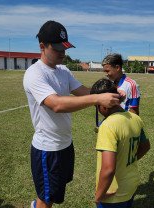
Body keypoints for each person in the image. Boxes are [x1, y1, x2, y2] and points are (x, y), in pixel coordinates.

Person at [23, 20, 121, 208]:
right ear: (42, 46)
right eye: (58, 47)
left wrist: (113, 93)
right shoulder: (34, 74)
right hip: (47, 149)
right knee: (47, 198)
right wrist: (97, 100)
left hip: (65, 144)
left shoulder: (63, 70)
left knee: (56, 190)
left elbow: (85, 91)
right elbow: (56, 105)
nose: (63, 52)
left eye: (65, 47)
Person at [90, 78, 151, 208]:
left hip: (113, 193)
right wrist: (129, 160)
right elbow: (146, 146)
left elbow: (108, 169)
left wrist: (99, 196)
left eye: (96, 105)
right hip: (131, 184)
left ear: (104, 104)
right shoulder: (135, 118)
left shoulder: (108, 126)